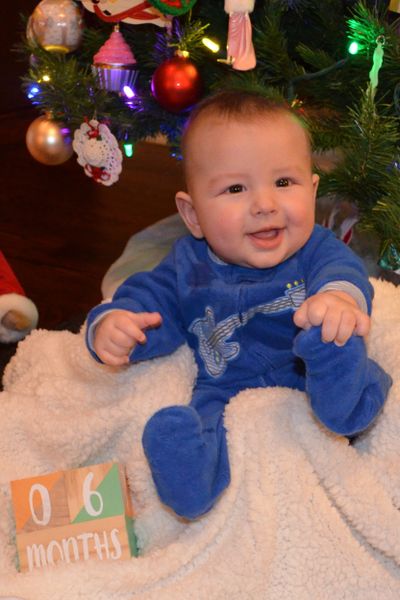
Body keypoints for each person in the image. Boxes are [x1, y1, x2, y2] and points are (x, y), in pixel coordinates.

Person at [86, 90, 392, 520]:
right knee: (202, 427)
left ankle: (342, 400)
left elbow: (345, 275)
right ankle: (188, 479)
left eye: (284, 182)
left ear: (312, 187)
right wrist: (116, 324)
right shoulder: (187, 265)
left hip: (312, 372)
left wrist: (338, 300)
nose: (265, 204)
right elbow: (147, 304)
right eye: (235, 188)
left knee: (345, 360)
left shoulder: (315, 250)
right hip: (224, 387)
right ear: (193, 216)